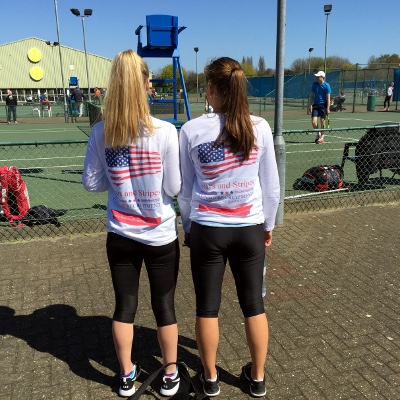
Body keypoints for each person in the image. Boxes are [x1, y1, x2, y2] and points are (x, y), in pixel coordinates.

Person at [178, 57, 280, 398]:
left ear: (210, 89)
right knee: (254, 305)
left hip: (207, 230)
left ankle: (209, 379)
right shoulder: (260, 127)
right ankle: (258, 378)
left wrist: (189, 226)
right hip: (249, 228)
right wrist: (267, 226)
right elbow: (272, 187)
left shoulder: (191, 130)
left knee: (207, 307)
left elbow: (185, 190)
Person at [82, 50, 181, 398]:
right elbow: (174, 187)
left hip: (121, 234)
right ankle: (170, 374)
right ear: (144, 84)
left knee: (124, 304)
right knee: (164, 306)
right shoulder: (166, 132)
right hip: (160, 236)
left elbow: (92, 183)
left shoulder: (100, 132)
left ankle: (126, 376)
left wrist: (119, 178)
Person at [309, 71, 331, 144]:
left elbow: (328, 98)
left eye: (318, 77)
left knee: (322, 122)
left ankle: (322, 137)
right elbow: (312, 95)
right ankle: (318, 134)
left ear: (322, 77)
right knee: (313, 121)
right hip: (315, 105)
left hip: (323, 106)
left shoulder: (327, 85)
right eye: (316, 77)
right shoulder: (314, 84)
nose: (316, 78)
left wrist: (328, 108)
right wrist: (310, 105)